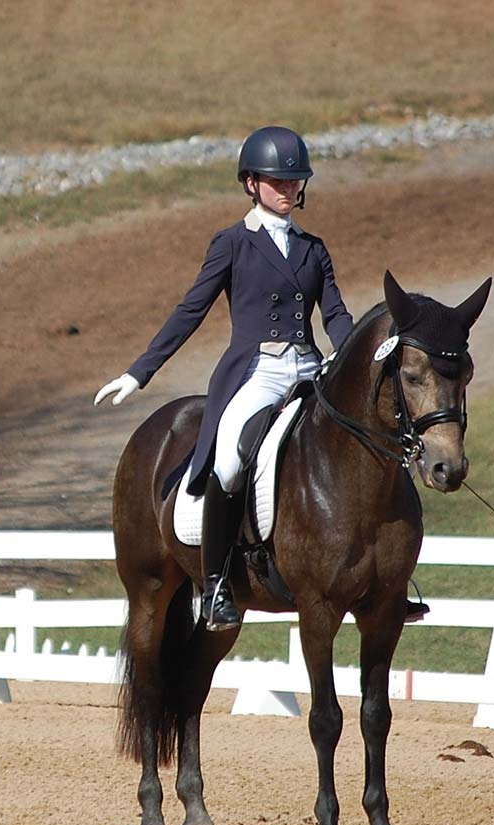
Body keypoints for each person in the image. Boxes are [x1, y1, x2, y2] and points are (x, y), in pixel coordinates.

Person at [96, 125, 429, 631]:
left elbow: (337, 316)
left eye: (295, 181)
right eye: (278, 181)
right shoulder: (233, 243)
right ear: (251, 183)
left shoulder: (313, 249)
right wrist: (139, 372)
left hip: (309, 368)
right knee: (229, 462)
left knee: (372, 443)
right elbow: (191, 310)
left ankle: (387, 582)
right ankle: (215, 588)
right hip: (258, 372)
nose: (289, 189)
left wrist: (363, 359)